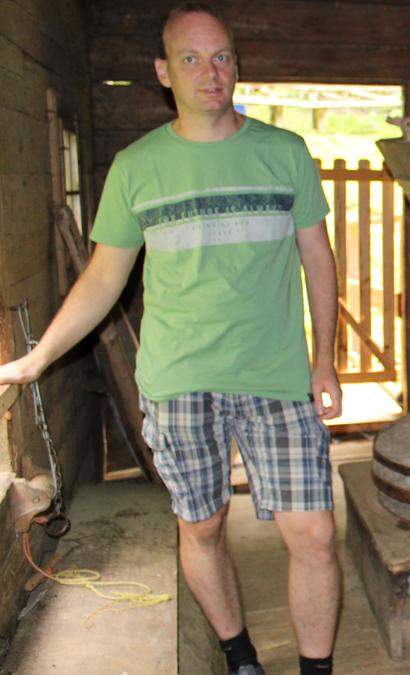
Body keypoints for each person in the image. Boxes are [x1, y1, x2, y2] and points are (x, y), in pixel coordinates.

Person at [0, 4, 342, 673]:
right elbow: (102, 278)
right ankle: (239, 655)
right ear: (163, 72)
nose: (210, 73)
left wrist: (326, 359)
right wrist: (38, 357)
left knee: (317, 534)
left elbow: (319, 259)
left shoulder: (284, 154)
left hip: (277, 376)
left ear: (237, 65)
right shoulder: (137, 167)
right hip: (180, 381)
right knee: (204, 525)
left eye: (222, 58)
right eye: (191, 59)